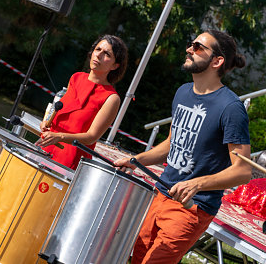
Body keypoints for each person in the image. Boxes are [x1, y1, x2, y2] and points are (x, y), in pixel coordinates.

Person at [115, 30, 252, 264]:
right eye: (191, 44)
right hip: (160, 194)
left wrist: (197, 184)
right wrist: (137, 160)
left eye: (198, 47)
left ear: (217, 61)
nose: (189, 49)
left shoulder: (231, 108)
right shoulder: (183, 92)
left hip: (191, 207)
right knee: (135, 260)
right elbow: (172, 143)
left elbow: (242, 171)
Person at [36, 34, 128, 170]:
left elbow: (91, 137)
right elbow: (63, 112)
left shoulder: (112, 98)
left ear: (115, 66)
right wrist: (47, 123)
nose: (99, 55)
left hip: (70, 159)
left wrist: (60, 136)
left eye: (107, 54)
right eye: (98, 50)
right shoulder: (76, 78)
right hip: (45, 146)